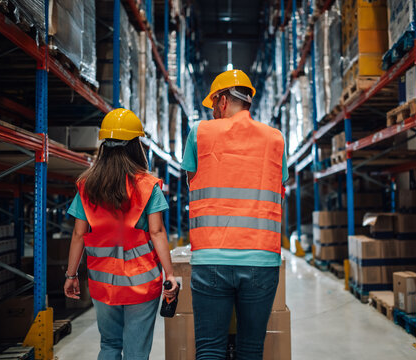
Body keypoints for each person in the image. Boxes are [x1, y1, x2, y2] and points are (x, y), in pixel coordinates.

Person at [181, 69, 288, 359]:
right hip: (261, 260)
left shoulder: (199, 133)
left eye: (214, 105)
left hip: (210, 259)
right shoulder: (275, 139)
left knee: (209, 349)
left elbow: (192, 176)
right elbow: (279, 183)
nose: (213, 112)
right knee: (251, 350)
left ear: (224, 100)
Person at [64, 108, 178, 360]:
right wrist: (170, 275)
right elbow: (157, 232)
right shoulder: (148, 186)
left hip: (103, 284)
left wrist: (71, 275)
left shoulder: (86, 186)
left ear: (104, 144)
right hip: (142, 284)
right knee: (136, 352)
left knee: (109, 346)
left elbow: (78, 235)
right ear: (136, 146)